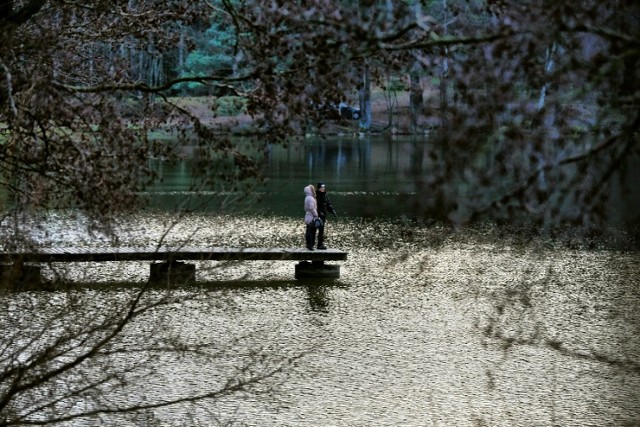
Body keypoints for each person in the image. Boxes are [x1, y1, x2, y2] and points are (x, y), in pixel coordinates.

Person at [316, 181, 337, 250]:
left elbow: (328, 204)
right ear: (319, 188)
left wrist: (332, 211)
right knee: (314, 230)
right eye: (322, 187)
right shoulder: (316, 195)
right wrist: (318, 212)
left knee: (321, 230)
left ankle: (320, 244)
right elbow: (314, 206)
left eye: (324, 187)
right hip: (316, 215)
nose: (323, 188)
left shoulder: (325, 194)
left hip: (323, 214)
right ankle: (311, 244)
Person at [303, 184, 319, 251]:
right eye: (313, 189)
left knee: (308, 231)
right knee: (311, 231)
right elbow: (311, 208)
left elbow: (306, 208)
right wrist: (316, 215)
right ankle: (310, 245)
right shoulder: (310, 198)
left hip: (308, 216)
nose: (314, 190)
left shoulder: (307, 197)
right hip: (311, 217)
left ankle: (308, 245)